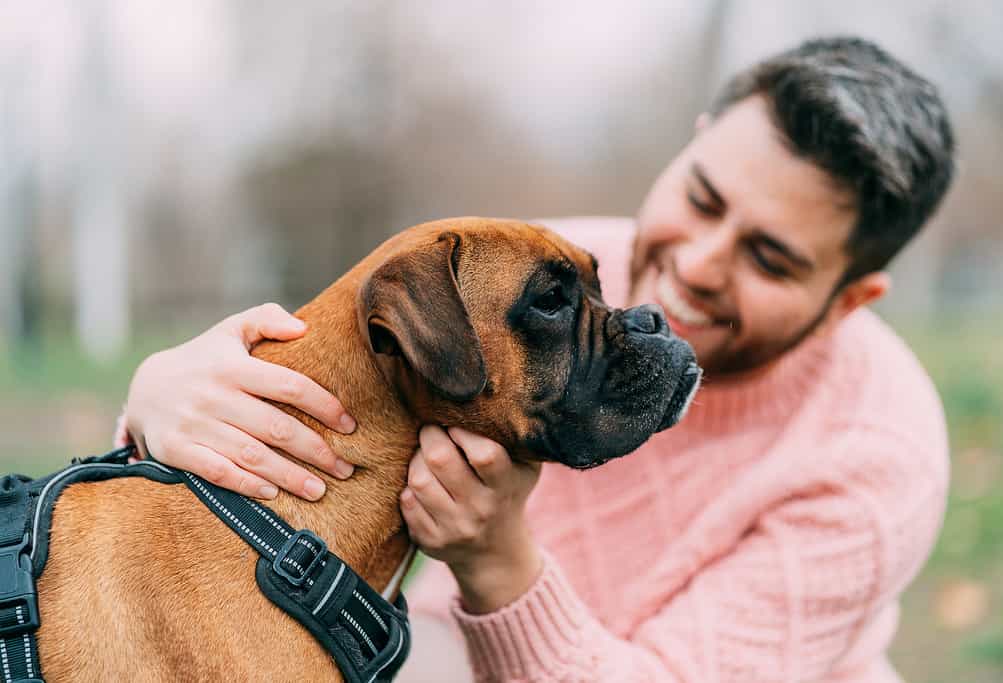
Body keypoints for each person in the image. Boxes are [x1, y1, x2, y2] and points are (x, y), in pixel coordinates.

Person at [116, 36, 955, 682]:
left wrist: (497, 560)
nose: (696, 263)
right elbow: (334, 385)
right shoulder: (551, 272)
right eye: (701, 197)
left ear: (850, 299)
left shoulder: (876, 458)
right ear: (689, 147)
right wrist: (164, 397)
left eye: (769, 258)